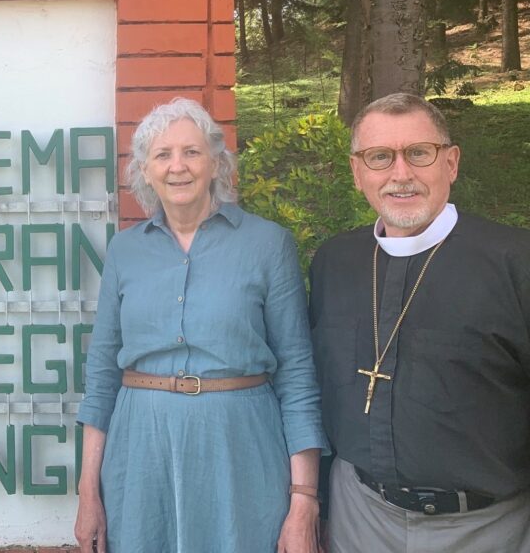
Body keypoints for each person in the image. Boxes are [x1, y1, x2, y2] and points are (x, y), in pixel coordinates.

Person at [75, 97, 328, 553]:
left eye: (191, 152)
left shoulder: (269, 245)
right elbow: (102, 375)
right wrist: (88, 493)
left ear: (216, 162)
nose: (178, 166)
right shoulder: (124, 251)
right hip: (139, 452)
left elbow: (296, 375)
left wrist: (304, 498)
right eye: (163, 155)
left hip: (240, 448)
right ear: (145, 170)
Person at [309, 92, 530, 553]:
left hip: (490, 527)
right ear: (357, 173)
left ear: (451, 163)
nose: (400, 173)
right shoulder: (334, 262)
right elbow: (318, 390)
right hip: (360, 517)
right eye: (379, 157)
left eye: (418, 153)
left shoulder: (516, 262)